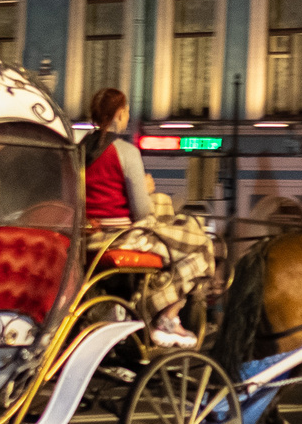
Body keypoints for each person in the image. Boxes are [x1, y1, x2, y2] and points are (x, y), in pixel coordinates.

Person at [81, 88, 216, 348]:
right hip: (121, 238)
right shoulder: (125, 152)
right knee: (202, 246)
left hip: (90, 237)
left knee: (172, 223)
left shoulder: (80, 149)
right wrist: (147, 190)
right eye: (127, 111)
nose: (128, 116)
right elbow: (141, 211)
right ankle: (165, 313)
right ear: (120, 114)